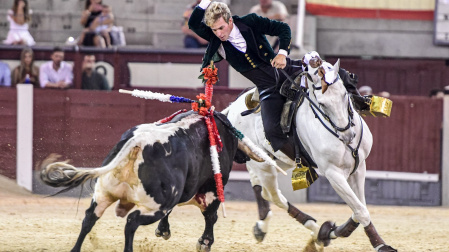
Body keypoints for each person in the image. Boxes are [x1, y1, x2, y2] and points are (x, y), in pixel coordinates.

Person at [189, 0, 303, 159]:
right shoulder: (215, 38)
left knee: (327, 82)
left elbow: (283, 28)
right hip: (267, 88)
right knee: (271, 132)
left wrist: (282, 53)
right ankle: (302, 164)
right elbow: (193, 23)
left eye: (221, 28)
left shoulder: (250, 21)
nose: (219, 34)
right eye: (214, 30)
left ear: (230, 21)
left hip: (286, 72)